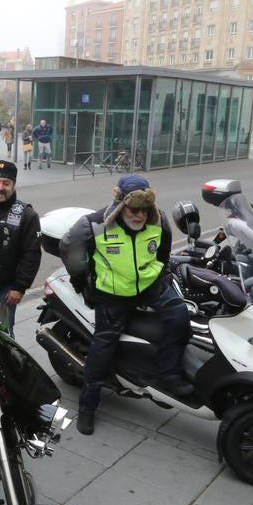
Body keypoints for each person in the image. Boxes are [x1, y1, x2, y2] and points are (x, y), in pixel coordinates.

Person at [61, 175, 192, 435]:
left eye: (144, 210)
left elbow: (163, 251)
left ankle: (169, 376)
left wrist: (159, 272)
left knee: (180, 316)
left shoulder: (159, 219)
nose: (140, 216)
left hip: (149, 286)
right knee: (103, 348)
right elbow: (68, 247)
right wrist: (83, 280)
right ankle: (87, 408)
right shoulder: (95, 225)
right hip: (113, 293)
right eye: (134, 210)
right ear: (121, 206)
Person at [0, 161, 41, 327]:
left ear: (14, 185)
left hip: (3, 290)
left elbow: (31, 254)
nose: (0, 187)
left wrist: (20, 287)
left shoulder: (27, 214)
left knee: (2, 341)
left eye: (6, 183)